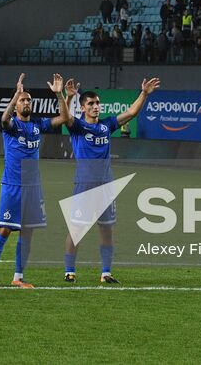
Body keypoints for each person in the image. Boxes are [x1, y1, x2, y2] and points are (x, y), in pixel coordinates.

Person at [59, 76, 161, 284]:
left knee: (107, 230)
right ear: (83, 108)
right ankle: (69, 271)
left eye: (97, 103)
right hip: (84, 186)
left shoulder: (107, 125)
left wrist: (144, 93)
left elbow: (131, 113)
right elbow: (65, 117)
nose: (96, 106)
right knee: (76, 230)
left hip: (106, 186)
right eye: (91, 104)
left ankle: (106, 273)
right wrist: (67, 98)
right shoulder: (78, 126)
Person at [0, 73, 71, 289]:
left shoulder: (38, 124)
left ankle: (18, 277)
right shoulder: (12, 126)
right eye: (23, 100)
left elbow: (64, 118)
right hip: (13, 186)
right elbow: (3, 119)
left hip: (33, 188)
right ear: (16, 105)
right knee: (4, 230)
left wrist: (60, 95)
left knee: (28, 232)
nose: (26, 103)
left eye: (28, 100)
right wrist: (16, 95)